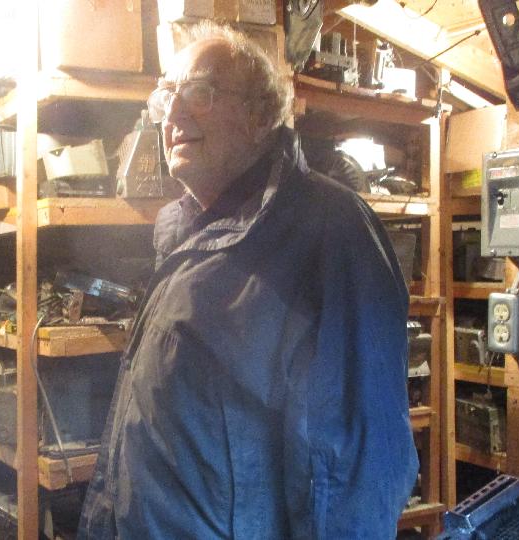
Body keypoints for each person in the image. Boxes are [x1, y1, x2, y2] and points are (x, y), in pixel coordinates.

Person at [79, 21, 418, 539]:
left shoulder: (328, 228)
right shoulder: (186, 235)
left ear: (262, 114)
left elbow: (357, 474)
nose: (172, 114)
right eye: (165, 97)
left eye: (199, 92)